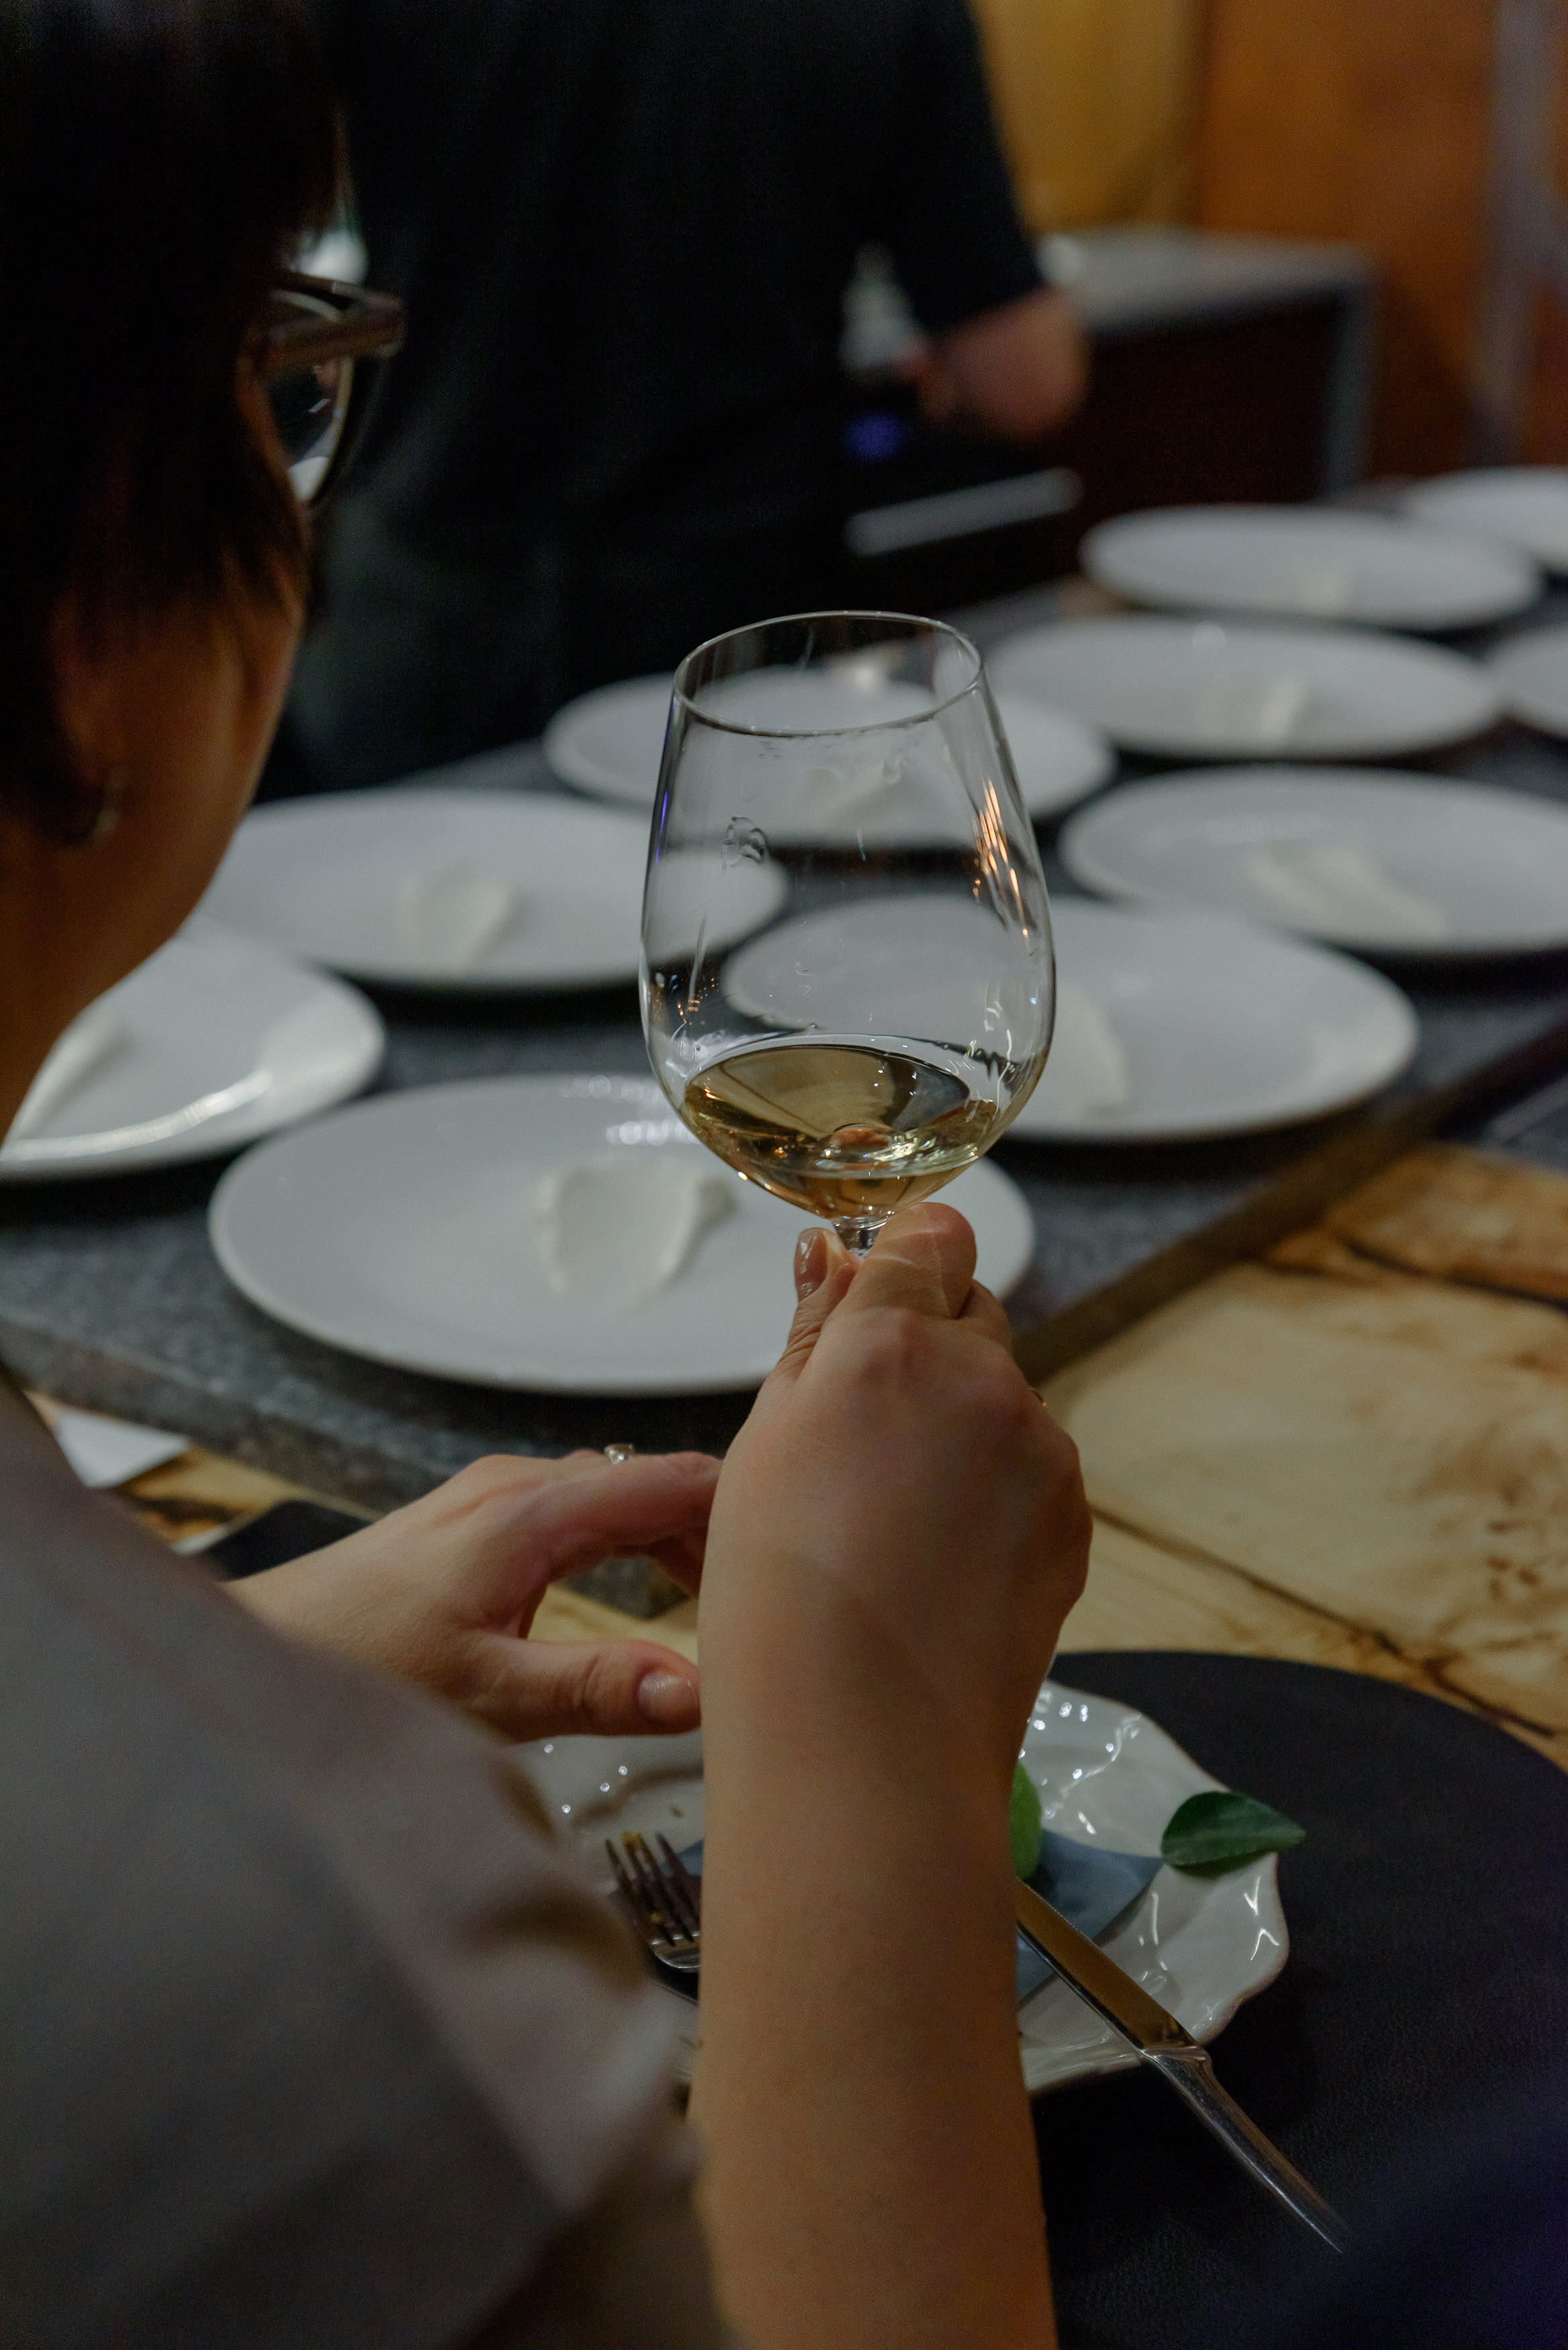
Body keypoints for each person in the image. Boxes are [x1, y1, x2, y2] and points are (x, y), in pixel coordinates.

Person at [0, 3, 1093, 2343]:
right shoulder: (325, 1967)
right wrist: (863, 1733)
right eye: (284, 375)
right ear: (89, 614)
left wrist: (243, 1655)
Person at [273, 0, 1087, 793]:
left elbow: (229, 201)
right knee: (722, 880)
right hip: (737, 623)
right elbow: (1024, 383)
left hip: (428, 609)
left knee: (392, 873)